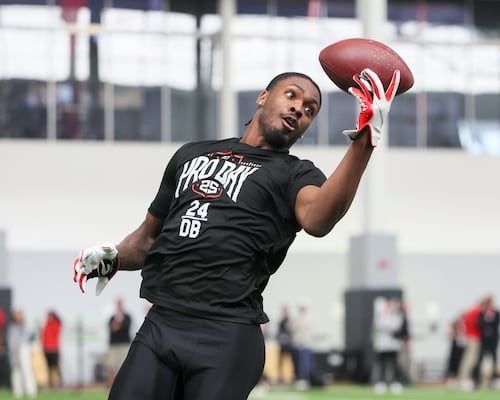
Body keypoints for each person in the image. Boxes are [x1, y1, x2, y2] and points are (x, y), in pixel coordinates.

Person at [72, 68, 402, 400]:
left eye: (310, 109)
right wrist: (113, 257)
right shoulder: (190, 155)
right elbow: (147, 239)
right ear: (263, 97)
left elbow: (318, 219)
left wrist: (364, 142)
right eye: (291, 95)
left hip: (227, 335)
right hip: (162, 323)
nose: (299, 109)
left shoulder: (294, 173)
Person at [457, 295, 492, 392]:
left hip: (472, 337)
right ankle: (464, 379)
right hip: (473, 337)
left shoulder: (473, 310)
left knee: (471, 359)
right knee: (470, 359)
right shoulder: (476, 311)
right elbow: (475, 324)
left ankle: (464, 378)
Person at [371, 297, 404, 395]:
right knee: (381, 364)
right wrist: (387, 327)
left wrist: (387, 327)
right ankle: (380, 383)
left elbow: (397, 327)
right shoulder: (380, 315)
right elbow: (378, 325)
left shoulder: (397, 315)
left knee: (394, 364)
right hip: (382, 344)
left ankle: (395, 383)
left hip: (393, 345)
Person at [473, 296, 500, 388]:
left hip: (493, 340)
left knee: (494, 359)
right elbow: (479, 324)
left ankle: (493, 379)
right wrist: (487, 319)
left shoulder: (497, 313)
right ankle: (478, 379)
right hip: (484, 340)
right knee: (480, 359)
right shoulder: (482, 313)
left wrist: (490, 318)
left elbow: (498, 324)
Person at [8, 310, 37, 399]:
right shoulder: (12, 328)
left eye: (20, 315)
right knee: (16, 372)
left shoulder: (26, 327)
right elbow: (10, 340)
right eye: (17, 315)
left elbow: (31, 337)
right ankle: (18, 392)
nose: (19, 317)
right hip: (14, 352)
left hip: (24, 349)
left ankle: (31, 392)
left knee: (26, 370)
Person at [106, 298, 132, 388]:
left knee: (124, 366)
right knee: (111, 367)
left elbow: (125, 327)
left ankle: (124, 385)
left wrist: (118, 325)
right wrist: (117, 324)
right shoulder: (112, 317)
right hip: (114, 346)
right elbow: (112, 328)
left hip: (124, 345)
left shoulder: (127, 317)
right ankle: (111, 386)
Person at [40, 310, 62, 389]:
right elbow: (43, 335)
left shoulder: (56, 324)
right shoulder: (46, 324)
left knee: (56, 366)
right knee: (49, 367)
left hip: (54, 348)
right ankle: (50, 383)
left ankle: (60, 382)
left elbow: (57, 330)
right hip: (47, 349)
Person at [275, 305, 294, 384]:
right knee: (281, 361)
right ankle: (280, 377)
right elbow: (278, 333)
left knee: (291, 361)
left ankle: (292, 377)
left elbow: (292, 331)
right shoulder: (281, 320)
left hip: (288, 344)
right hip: (282, 344)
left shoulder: (290, 320)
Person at [445, 315, 466, 386]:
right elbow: (450, 332)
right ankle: (451, 377)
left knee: (460, 361)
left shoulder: (464, 324)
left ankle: (458, 377)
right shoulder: (455, 323)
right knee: (453, 361)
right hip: (455, 344)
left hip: (462, 344)